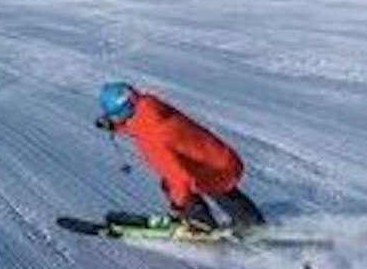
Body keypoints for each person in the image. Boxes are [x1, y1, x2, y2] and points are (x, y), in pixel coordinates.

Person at [97, 80, 267, 235]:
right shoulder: (149, 107)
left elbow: (177, 178)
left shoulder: (153, 138)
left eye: (115, 115)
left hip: (213, 167)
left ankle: (201, 224)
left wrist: (179, 206)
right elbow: (140, 125)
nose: (115, 119)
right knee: (217, 188)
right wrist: (117, 126)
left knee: (176, 187)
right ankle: (250, 221)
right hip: (219, 158)